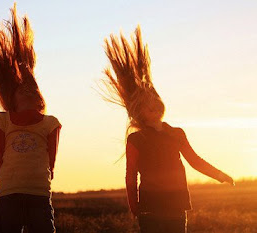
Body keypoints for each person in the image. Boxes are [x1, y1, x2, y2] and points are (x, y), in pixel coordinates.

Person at [100, 26, 234, 233]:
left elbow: (194, 160)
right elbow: (131, 174)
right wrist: (134, 206)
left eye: (155, 100)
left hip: (176, 206)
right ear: (139, 111)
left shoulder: (176, 133)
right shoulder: (136, 139)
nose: (153, 105)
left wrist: (219, 175)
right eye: (147, 104)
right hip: (150, 208)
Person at [0, 4, 61, 233]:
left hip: (39, 192)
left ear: (40, 97)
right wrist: (3, 183)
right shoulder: (3, 120)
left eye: (32, 88)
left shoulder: (50, 122)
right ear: (11, 97)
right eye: (22, 89)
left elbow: (52, 159)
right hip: (10, 192)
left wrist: (44, 176)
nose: (28, 91)